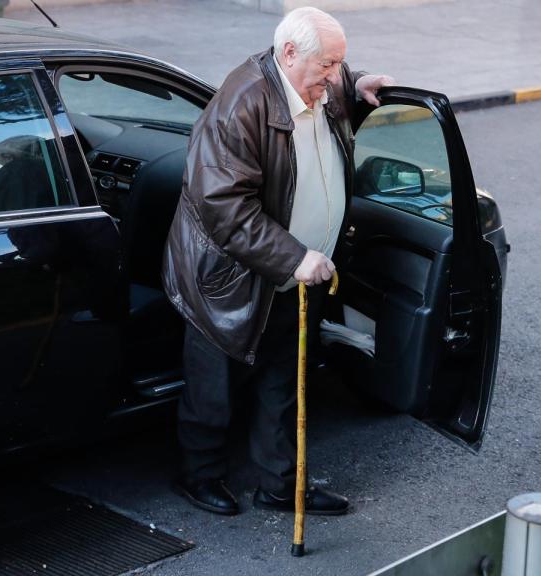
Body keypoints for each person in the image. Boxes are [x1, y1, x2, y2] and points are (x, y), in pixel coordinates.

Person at [162, 7, 394, 517]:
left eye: (340, 65)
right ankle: (198, 475)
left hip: (295, 273)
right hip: (228, 278)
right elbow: (223, 206)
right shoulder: (241, 105)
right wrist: (294, 257)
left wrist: (359, 84)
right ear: (288, 54)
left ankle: (280, 483)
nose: (334, 77)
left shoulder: (322, 85)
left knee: (283, 382)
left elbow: (338, 80)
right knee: (213, 388)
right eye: (329, 65)